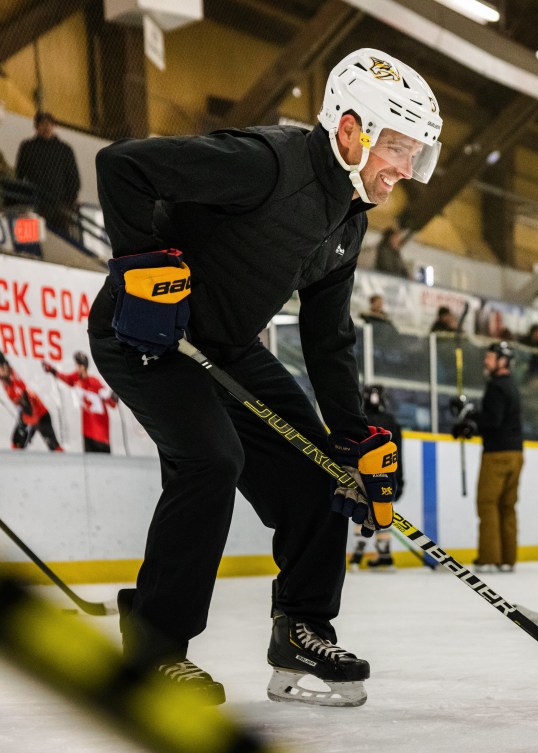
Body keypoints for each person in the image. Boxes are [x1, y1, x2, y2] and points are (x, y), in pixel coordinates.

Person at [87, 48, 442, 707]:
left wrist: (355, 436)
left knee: (321, 475)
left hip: (225, 347)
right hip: (145, 334)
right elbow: (123, 166)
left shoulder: (347, 219)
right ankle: (154, 648)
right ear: (350, 129)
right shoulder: (266, 164)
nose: (404, 169)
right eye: (397, 147)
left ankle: (301, 631)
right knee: (210, 460)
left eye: (415, 152)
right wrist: (140, 265)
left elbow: (328, 335)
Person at [451, 341, 523, 573]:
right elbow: (496, 415)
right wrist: (472, 415)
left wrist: (471, 424)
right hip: (516, 453)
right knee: (507, 506)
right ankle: (507, 558)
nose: (486, 360)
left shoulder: (496, 386)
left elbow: (493, 420)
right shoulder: (511, 385)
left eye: (491, 357)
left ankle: (489, 557)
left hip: (497, 454)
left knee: (488, 504)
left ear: (503, 361)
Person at [348, 385, 404, 570]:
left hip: (363, 477)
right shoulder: (391, 421)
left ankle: (357, 557)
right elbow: (398, 455)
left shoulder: (361, 421)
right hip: (386, 478)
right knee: (383, 512)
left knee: (362, 512)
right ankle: (385, 556)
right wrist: (399, 481)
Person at [15, 112, 80, 242]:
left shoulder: (64, 149)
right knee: (30, 243)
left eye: (49, 124)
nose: (46, 127)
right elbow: (20, 175)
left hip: (59, 206)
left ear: (53, 126)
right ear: (36, 126)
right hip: (33, 203)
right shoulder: (27, 147)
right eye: (42, 124)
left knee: (61, 242)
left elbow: (73, 178)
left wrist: (67, 203)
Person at [42, 351, 118, 453]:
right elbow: (66, 378)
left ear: (82, 366)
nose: (76, 367)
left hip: (100, 433)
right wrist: (52, 370)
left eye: (77, 364)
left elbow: (111, 403)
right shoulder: (76, 379)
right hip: (88, 432)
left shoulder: (95, 382)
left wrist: (116, 394)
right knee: (90, 464)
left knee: (103, 463)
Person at [0, 351, 62, 452]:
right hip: (28, 414)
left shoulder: (15, 385)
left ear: (7, 368)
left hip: (39, 415)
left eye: (4, 368)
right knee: (16, 442)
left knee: (53, 446)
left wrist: (27, 428)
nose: (2, 371)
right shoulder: (5, 377)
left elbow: (29, 411)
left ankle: (64, 464)